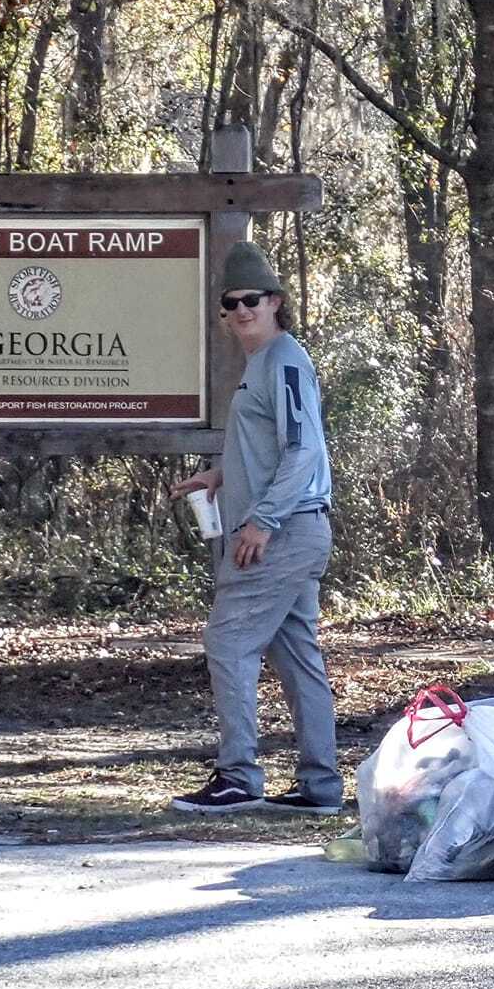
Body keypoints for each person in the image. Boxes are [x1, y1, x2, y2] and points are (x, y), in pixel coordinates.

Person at [168, 241, 342, 814]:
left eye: (253, 300)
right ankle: (320, 788)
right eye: (232, 303)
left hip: (283, 530)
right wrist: (222, 474)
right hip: (293, 527)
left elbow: (303, 451)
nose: (242, 310)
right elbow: (271, 446)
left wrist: (261, 521)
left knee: (227, 641)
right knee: (296, 655)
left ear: (276, 303)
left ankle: (238, 776)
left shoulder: (285, 358)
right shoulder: (261, 364)